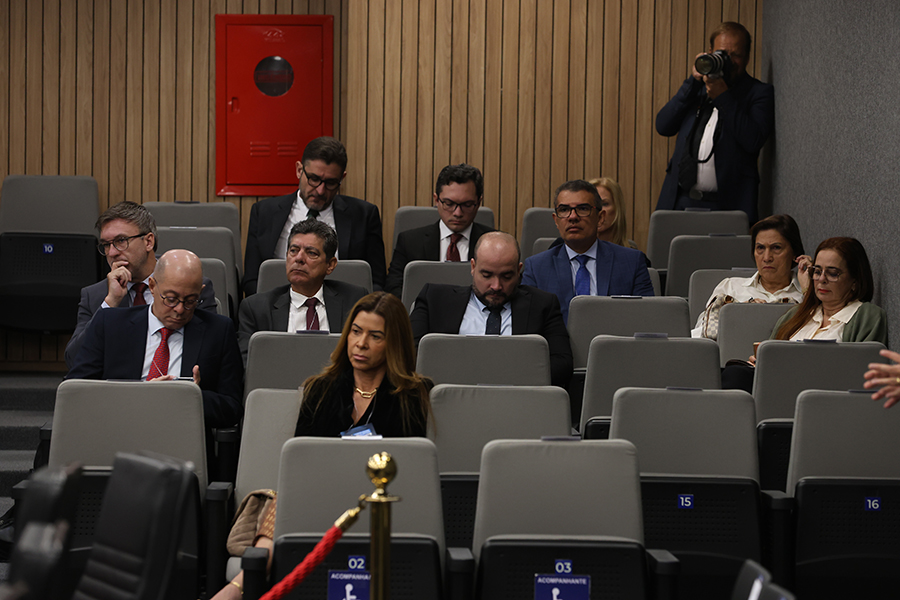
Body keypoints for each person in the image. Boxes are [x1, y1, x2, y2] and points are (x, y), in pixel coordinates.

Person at [67, 249, 244, 429]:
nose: (180, 309)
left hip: (183, 433)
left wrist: (190, 396)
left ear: (200, 292)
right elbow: (75, 391)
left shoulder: (218, 330)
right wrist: (144, 395)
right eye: (171, 299)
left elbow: (232, 408)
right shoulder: (110, 324)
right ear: (152, 286)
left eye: (190, 301)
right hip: (118, 428)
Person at [410, 231, 574, 388]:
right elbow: (409, 354)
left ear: (518, 271)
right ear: (473, 267)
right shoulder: (435, 299)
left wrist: (500, 376)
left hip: (517, 398)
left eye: (506, 276)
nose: (496, 286)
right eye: (487, 275)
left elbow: (562, 364)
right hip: (449, 396)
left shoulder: (542, 305)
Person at [64, 201, 217, 368]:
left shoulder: (190, 287)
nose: (112, 253)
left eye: (121, 241)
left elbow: (211, 353)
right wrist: (110, 304)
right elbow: (74, 360)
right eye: (106, 245)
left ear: (148, 242)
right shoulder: (96, 296)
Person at [723, 237, 888, 391]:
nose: (821, 279)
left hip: (823, 394)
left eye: (832, 273)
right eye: (817, 271)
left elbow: (862, 377)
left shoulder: (867, 316)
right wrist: (761, 362)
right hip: (777, 390)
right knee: (731, 373)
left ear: (854, 282)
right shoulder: (797, 314)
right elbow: (772, 354)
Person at [655, 22, 774, 223]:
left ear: (747, 58)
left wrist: (723, 97)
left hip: (728, 207)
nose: (728, 61)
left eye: (736, 55)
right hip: (679, 202)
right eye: (722, 53)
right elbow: (663, 125)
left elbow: (753, 140)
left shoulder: (758, 93)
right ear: (710, 52)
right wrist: (693, 81)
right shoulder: (697, 89)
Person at [242, 136, 386, 295]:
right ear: (299, 170)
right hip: (278, 304)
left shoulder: (364, 215)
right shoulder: (264, 212)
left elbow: (376, 281)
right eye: (314, 179)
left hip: (344, 305)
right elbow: (252, 280)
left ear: (342, 178)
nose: (320, 190)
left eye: (331, 183)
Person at [295, 291, 433, 437]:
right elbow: (302, 449)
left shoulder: (416, 395)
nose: (361, 344)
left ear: (395, 343)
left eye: (375, 336)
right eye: (356, 331)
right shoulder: (319, 390)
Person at [522, 179, 654, 323]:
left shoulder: (631, 263)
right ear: (556, 220)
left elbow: (647, 320)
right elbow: (529, 325)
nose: (573, 217)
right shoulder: (536, 268)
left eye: (583, 209)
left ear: (600, 218)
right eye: (564, 210)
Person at [237, 220, 368, 366]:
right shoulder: (256, 309)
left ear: (330, 265)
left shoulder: (355, 300)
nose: (299, 258)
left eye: (311, 253)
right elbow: (250, 367)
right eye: (293, 250)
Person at [385, 164, 494, 297]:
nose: (457, 213)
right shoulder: (409, 242)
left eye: (467, 205)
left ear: (478, 203)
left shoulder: (496, 245)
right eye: (449, 204)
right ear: (437, 200)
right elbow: (394, 290)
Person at [692, 214, 810, 337]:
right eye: (760, 248)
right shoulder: (730, 287)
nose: (767, 258)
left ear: (795, 253)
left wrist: (810, 285)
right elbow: (700, 335)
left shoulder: (806, 294)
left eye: (776, 248)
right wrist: (738, 313)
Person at [588, 177, 637, 249]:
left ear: (617, 208)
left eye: (604, 204)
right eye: (590, 205)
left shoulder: (631, 253)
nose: (599, 211)